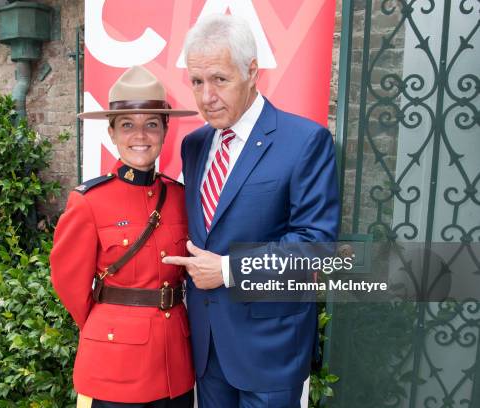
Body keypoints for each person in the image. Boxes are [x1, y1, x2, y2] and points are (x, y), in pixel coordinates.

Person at [162, 14, 340, 408]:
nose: (207, 95)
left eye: (220, 79)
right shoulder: (194, 145)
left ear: (252, 71)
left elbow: (316, 247)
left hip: (271, 349)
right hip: (208, 351)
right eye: (196, 81)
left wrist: (227, 269)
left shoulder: (305, 141)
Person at [50, 66, 197, 408]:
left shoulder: (179, 198)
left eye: (151, 124)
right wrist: (108, 323)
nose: (140, 135)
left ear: (165, 130)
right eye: (127, 124)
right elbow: (69, 284)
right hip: (114, 364)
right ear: (112, 133)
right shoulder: (89, 201)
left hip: (173, 362)